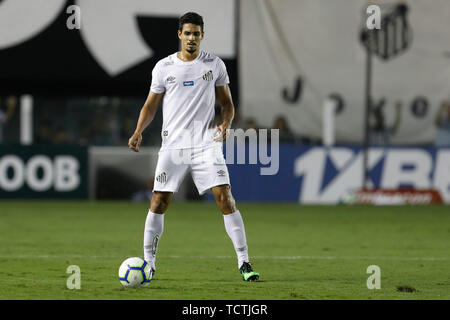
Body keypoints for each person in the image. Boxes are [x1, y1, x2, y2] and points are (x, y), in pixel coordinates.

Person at [128, 12, 259, 281]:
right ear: (179, 35)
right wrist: (139, 130)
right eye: (187, 33)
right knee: (159, 201)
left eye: (196, 34)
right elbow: (151, 105)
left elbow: (227, 104)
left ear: (202, 36)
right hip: (174, 145)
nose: (191, 38)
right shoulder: (164, 67)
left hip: (205, 144)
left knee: (225, 198)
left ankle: (244, 262)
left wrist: (226, 123)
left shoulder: (214, 64)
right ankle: (148, 263)